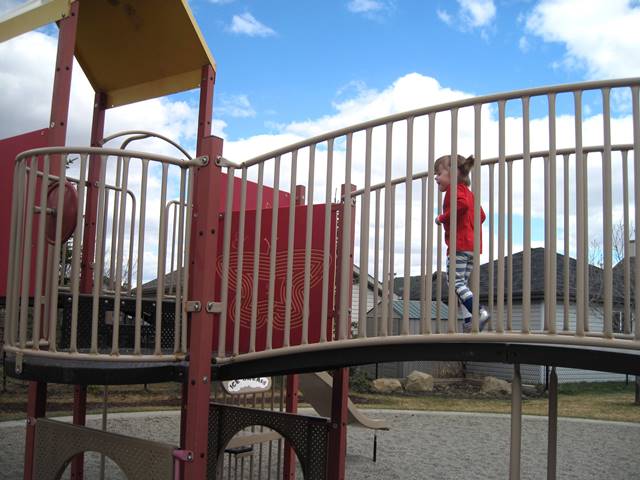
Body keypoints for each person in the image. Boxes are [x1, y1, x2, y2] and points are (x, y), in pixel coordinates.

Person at [434, 154, 490, 333]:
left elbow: (462, 206)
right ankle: (468, 321)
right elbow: (481, 215)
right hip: (473, 247)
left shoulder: (454, 191)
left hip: (459, 245)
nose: (436, 177)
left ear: (452, 174)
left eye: (439, 173)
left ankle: (479, 311)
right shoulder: (470, 194)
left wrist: (442, 218)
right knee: (462, 285)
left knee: (455, 282)